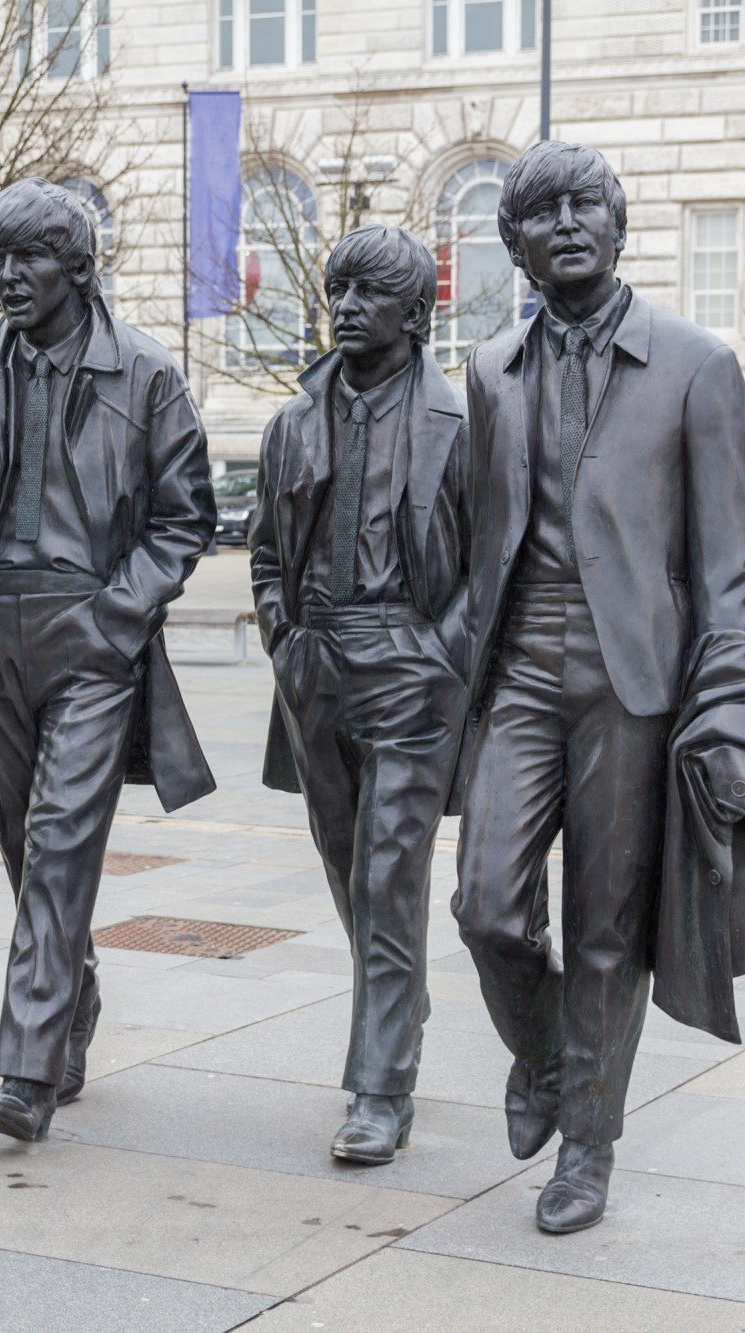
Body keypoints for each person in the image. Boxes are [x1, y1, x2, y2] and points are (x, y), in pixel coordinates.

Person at [451, 142, 745, 1232]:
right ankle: (542, 1053)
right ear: (516, 243)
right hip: (521, 664)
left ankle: (586, 1141)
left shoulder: (692, 363)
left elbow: (728, 566)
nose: (568, 223)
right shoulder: (489, 372)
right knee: (484, 904)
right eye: (541, 210)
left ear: (618, 228)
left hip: (637, 676)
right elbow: (473, 537)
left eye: (588, 205)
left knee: (604, 925)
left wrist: (722, 703)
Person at [0, 178, 217, 1142]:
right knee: (24, 850)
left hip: (92, 636)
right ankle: (74, 991)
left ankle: (27, 1069)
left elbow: (186, 519)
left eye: (29, 260)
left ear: (79, 267)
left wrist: (118, 615)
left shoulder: (144, 375)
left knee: (60, 846)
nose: (8, 279)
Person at [248, 225, 471, 1165]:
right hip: (317, 668)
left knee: (389, 874)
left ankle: (380, 1088)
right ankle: (399, 1002)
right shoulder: (293, 421)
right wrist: (283, 638)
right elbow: (265, 551)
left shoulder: (460, 425)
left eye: (370, 295)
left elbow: (488, 566)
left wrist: (437, 654)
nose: (344, 308)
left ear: (418, 315)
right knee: (348, 870)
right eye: (338, 291)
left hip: (409, 668)